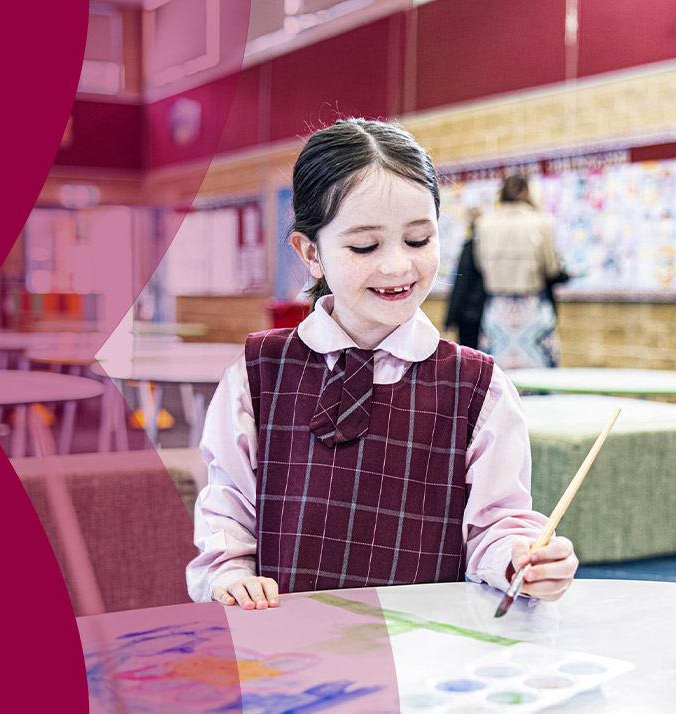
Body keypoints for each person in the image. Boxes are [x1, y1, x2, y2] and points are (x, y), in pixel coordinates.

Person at [187, 119, 577, 610]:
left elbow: (495, 524)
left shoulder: (479, 386)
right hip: (285, 638)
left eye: (418, 240)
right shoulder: (258, 372)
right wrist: (229, 571)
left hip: (425, 642)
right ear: (311, 253)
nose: (397, 266)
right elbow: (228, 506)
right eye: (364, 246)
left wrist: (520, 558)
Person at [470, 174, 565, 369]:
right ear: (528, 191)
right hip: (532, 309)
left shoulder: (484, 224)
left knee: (497, 376)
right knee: (540, 375)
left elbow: (479, 265)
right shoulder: (542, 222)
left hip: (497, 309)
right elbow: (552, 269)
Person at [443, 206, 487, 349]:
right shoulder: (489, 249)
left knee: (469, 357)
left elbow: (461, 284)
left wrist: (450, 318)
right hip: (486, 312)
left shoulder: (469, 248)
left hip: (468, 315)